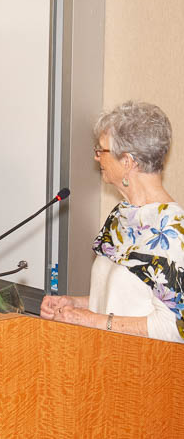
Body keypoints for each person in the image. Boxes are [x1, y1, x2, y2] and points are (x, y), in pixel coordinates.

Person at [41, 101, 184, 342]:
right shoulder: (121, 216)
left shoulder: (172, 230)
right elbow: (120, 302)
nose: (97, 158)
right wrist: (73, 304)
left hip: (140, 371)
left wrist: (90, 320)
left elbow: (173, 328)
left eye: (102, 150)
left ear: (127, 162)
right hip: (103, 360)